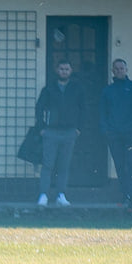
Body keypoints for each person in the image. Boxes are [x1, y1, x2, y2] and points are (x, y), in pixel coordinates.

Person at [34, 60, 86, 207]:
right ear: (57, 70)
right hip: (51, 132)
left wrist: (78, 128)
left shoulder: (77, 89)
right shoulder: (49, 88)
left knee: (64, 165)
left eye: (67, 69)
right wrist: (41, 128)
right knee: (47, 164)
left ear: (71, 70)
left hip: (69, 132)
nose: (64, 71)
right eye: (61, 68)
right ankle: (43, 194)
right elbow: (39, 108)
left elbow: (83, 109)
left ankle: (60, 195)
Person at [99, 58, 132, 213]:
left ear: (126, 70)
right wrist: (107, 130)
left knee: (131, 165)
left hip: (131, 134)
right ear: (112, 71)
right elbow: (102, 113)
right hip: (114, 135)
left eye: (122, 68)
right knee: (120, 165)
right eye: (116, 68)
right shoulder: (108, 91)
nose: (119, 71)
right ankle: (124, 196)